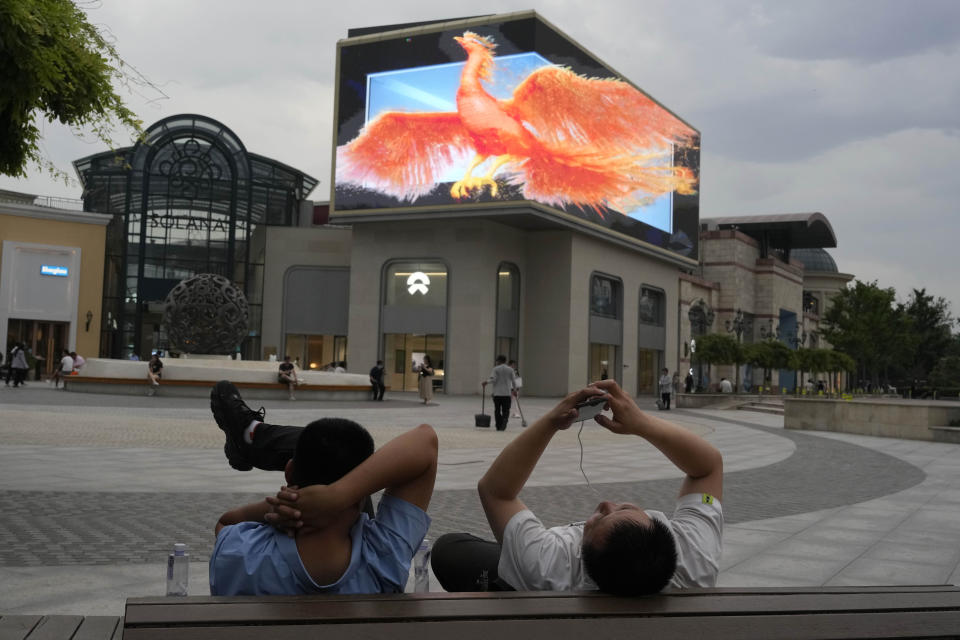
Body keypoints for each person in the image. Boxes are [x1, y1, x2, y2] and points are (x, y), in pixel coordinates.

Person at [431, 379, 723, 595]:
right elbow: (708, 467)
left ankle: (510, 570)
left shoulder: (546, 564)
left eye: (597, 520)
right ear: (669, 538)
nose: (606, 503)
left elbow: (495, 490)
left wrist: (549, 422)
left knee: (450, 549)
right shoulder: (694, 558)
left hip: (530, 578)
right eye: (625, 508)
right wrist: (641, 422)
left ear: (583, 554)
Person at [207, 381, 436, 595]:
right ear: (361, 498)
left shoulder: (239, 553)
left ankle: (252, 436)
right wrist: (338, 495)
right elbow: (425, 440)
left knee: (322, 448)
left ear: (288, 472)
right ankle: (253, 436)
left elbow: (226, 522)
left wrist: (277, 507)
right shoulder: (384, 560)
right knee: (337, 451)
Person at [483, 355, 517, 431]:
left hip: (497, 394)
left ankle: (498, 425)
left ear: (499, 361)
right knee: (506, 410)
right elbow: (514, 381)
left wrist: (486, 382)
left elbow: (494, 379)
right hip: (507, 394)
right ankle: (505, 420)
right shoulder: (510, 369)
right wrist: (514, 390)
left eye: (497, 361)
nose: (496, 362)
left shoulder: (495, 369)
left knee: (497, 410)